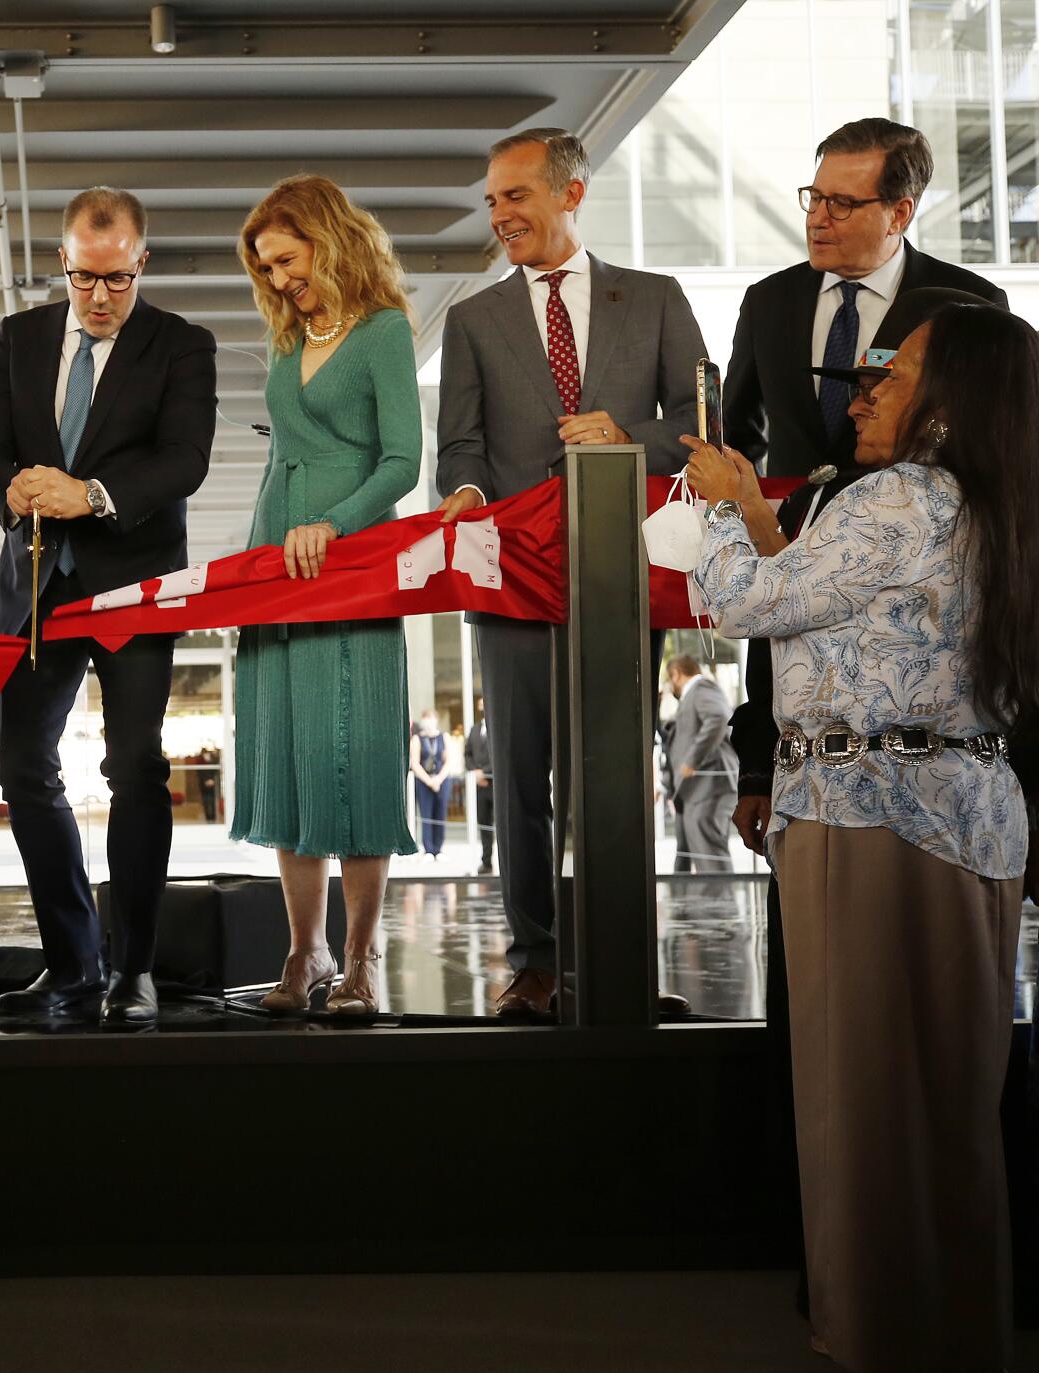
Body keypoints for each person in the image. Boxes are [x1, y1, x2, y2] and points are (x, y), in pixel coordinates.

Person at [689, 302, 1034, 1372]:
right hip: (964, 810)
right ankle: (952, 1323)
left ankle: (875, 1335)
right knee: (948, 1098)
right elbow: (826, 604)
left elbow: (741, 601)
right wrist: (763, 519)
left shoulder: (894, 496)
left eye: (893, 371)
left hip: (863, 809)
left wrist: (722, 505)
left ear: (951, 395)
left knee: (861, 1098)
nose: (864, 388)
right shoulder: (992, 501)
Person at [434, 127, 708, 1016]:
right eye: (492, 201)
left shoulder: (656, 299)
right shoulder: (475, 319)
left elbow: (707, 420)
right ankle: (537, 963)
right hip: (512, 577)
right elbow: (461, 447)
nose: (500, 214)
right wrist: (468, 493)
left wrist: (630, 436)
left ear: (571, 194)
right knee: (517, 776)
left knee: (615, 774)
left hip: (621, 584)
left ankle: (615, 953)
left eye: (515, 196)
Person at [0, 187, 217, 1027]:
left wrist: (92, 494)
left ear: (141, 259)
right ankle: (72, 962)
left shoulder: (182, 345)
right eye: (82, 279)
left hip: (132, 584)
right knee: (23, 767)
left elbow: (183, 460)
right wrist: (18, 492)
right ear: (62, 263)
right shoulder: (19, 337)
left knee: (135, 767)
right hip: (36, 585)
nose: (99, 297)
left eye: (116, 279)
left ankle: (132, 969)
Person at [229, 174, 419, 1018]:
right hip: (274, 565)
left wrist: (334, 524)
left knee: (354, 758)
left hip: (349, 567)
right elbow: (280, 459)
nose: (277, 279)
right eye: (265, 268)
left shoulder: (382, 332)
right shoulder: (284, 340)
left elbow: (403, 461)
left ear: (328, 239)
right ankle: (301, 955)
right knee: (286, 761)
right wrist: (254, 555)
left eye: (286, 259)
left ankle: (360, 961)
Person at [724, 118, 1005, 480]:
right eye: (815, 197)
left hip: (909, 528)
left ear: (898, 214)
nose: (817, 220)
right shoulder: (768, 300)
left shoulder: (971, 304)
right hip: (786, 528)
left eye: (842, 203)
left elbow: (992, 441)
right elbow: (736, 431)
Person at [663, 655, 736, 873]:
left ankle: (720, 906)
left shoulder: (701, 688)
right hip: (698, 789)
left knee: (709, 855)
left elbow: (718, 717)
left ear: (676, 674)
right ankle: (713, 904)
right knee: (702, 854)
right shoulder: (695, 695)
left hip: (708, 786)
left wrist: (691, 760)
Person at [409, 710, 453, 861]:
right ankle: (428, 849)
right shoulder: (417, 739)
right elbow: (414, 763)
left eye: (430, 718)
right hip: (423, 781)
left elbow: (448, 761)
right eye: (425, 719)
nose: (428, 721)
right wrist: (429, 781)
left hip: (442, 780)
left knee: (440, 814)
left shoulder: (444, 737)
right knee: (426, 814)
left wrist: (438, 780)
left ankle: (439, 849)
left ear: (436, 720)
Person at [466, 696, 494, 875]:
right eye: (480, 705)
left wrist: (485, 772)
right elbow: (467, 754)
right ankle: (486, 862)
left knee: (502, 826)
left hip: (495, 783)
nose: (482, 707)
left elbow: (501, 754)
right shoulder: (475, 729)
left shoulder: (497, 729)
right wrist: (475, 772)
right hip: (480, 786)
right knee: (483, 823)